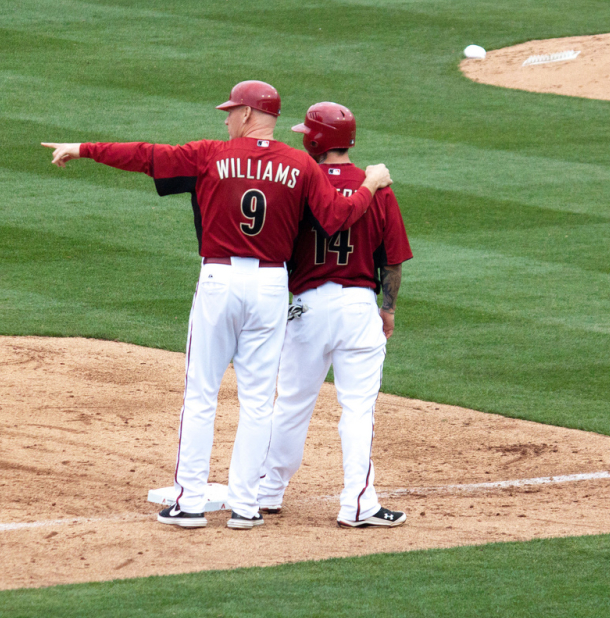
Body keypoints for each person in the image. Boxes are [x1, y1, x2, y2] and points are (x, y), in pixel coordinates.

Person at [42, 81, 392, 530]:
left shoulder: (210, 154)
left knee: (201, 393)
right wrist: (369, 183)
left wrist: (83, 148)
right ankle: (246, 506)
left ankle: (189, 504)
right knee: (259, 401)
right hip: (271, 286)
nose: (226, 119)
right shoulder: (301, 164)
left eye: (230, 112)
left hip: (219, 280)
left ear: (247, 115)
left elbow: (146, 155)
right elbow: (338, 218)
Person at [257, 102, 412, 528]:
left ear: (315, 140)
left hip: (306, 308)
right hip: (358, 307)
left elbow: (277, 247)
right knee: (358, 410)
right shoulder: (376, 185)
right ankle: (358, 505)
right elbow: (392, 261)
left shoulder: (298, 183)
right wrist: (388, 309)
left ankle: (267, 492)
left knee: (290, 405)